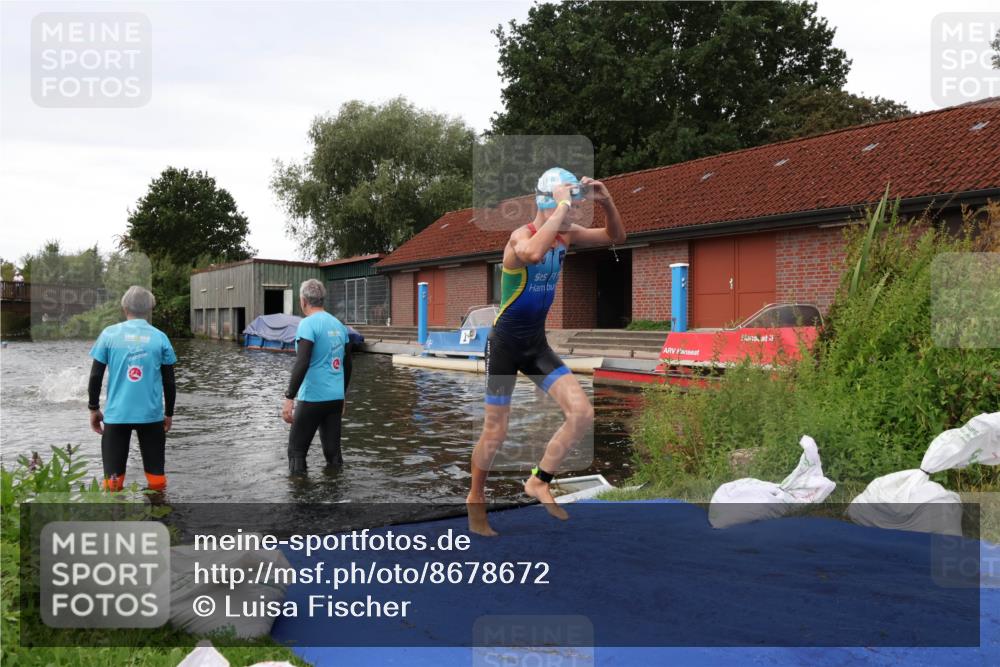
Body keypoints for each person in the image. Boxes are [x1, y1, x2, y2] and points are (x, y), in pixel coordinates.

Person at [467, 167, 626, 536]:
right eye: (566, 204)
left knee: (582, 412)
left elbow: (616, 236)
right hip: (505, 345)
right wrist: (560, 206)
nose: (572, 211)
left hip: (535, 344)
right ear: (547, 200)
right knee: (495, 432)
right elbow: (535, 253)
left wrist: (608, 202)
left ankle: (539, 480)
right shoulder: (519, 236)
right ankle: (475, 498)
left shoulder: (566, 235)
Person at [88, 285, 177, 491]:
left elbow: (95, 376)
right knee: (156, 481)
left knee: (112, 483)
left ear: (124, 307)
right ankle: (159, 517)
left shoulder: (109, 335)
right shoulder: (160, 337)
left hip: (116, 417)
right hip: (152, 417)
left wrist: (94, 408)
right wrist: (169, 413)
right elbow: (169, 382)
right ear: (149, 310)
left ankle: (115, 518)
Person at [282, 279, 353, 474]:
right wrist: (343, 396)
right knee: (333, 454)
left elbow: (302, 361)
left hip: (312, 399)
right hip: (335, 400)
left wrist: (289, 398)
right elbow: (348, 364)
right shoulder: (339, 326)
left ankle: (299, 499)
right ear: (322, 300)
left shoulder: (307, 324)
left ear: (303, 301)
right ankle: (336, 496)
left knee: (296, 452)